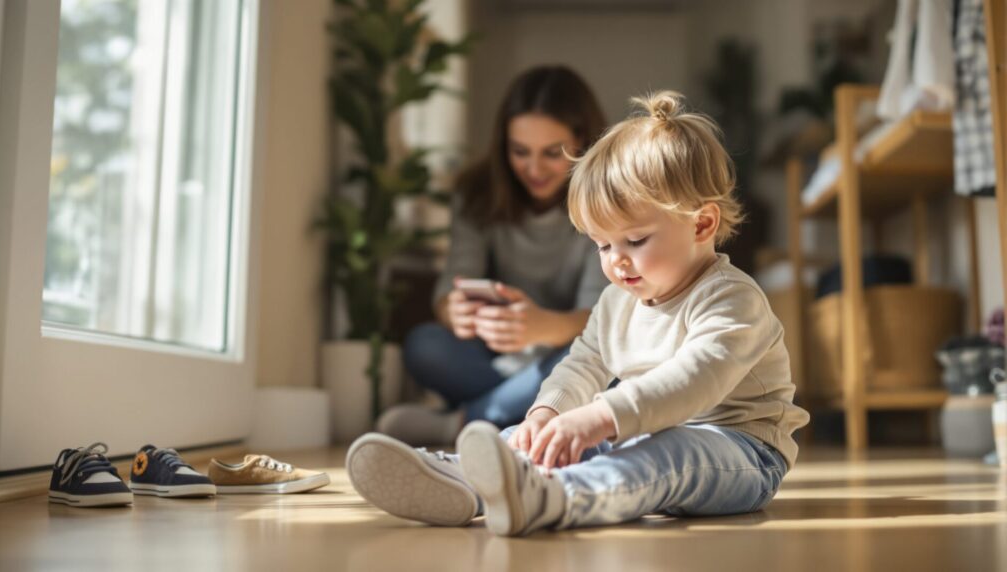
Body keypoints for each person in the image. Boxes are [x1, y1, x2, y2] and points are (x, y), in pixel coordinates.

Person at [346, 90, 810, 536]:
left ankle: (557, 498)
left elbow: (696, 378)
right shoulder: (618, 300)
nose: (616, 260)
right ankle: (465, 479)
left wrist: (598, 417)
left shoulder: (733, 300)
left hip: (742, 452)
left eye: (635, 241)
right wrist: (547, 414)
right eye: (603, 245)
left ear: (702, 224)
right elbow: (583, 363)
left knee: (663, 451)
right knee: (543, 437)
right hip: (643, 431)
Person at [375, 66, 610, 446]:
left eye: (552, 153)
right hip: (495, 355)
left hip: (568, 350)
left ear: (583, 141)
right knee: (425, 345)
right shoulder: (477, 193)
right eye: (520, 152)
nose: (533, 169)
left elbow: (602, 319)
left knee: (605, 359)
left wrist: (540, 327)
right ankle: (522, 415)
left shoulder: (604, 197)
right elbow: (450, 288)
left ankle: (463, 423)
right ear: (503, 145)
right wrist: (456, 311)